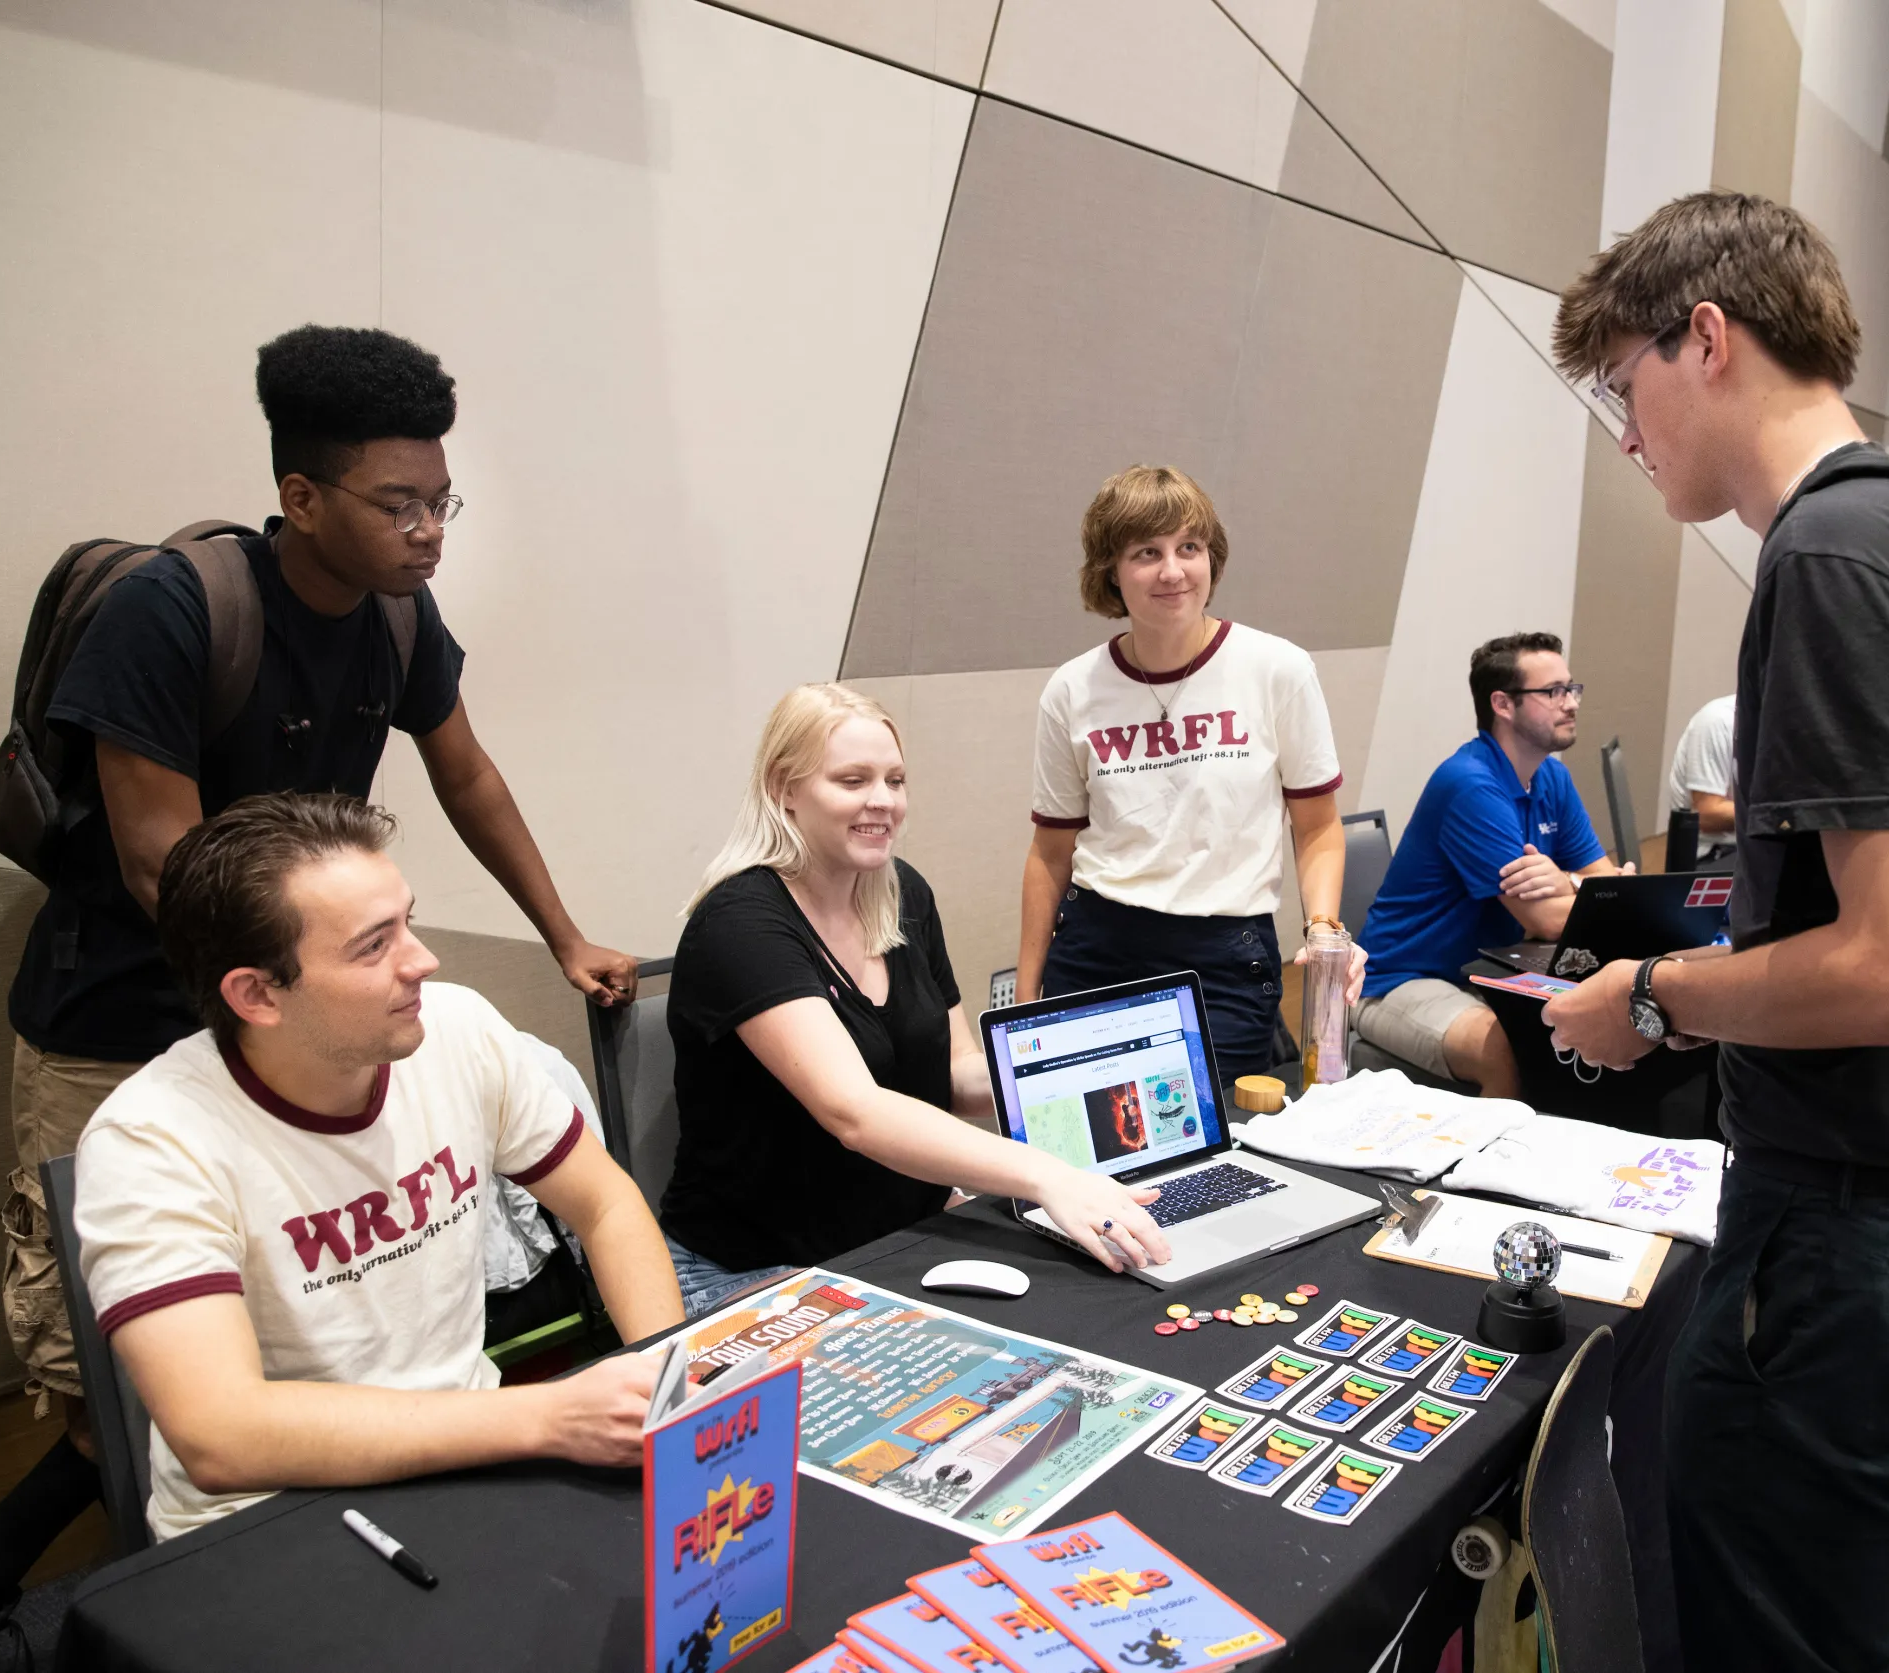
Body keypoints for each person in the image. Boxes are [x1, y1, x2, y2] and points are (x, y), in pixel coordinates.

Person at [0, 326, 642, 1669]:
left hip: (293, 1014)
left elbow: (466, 774)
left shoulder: (400, 618)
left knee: (280, 1339)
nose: (428, 533)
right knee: (111, 1383)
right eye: (396, 505)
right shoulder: (174, 610)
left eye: (440, 501)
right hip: (126, 1030)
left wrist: (564, 931)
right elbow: (155, 855)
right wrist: (268, 1041)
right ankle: (36, 1602)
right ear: (301, 498)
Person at [1542, 191, 1889, 1670]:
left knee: (1766, 1624)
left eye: (1625, 386)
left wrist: (1652, 991)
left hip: (1861, 1222)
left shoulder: (1837, 554)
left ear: (1705, 339)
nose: (1628, 434)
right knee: (1861, 1613)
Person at [91, 796, 675, 1550]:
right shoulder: (151, 1139)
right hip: (267, 1521)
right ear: (257, 994)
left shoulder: (458, 1029)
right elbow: (219, 1432)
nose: (422, 960)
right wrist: (549, 1416)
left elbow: (602, 1202)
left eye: (408, 920)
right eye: (374, 946)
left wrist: (664, 1372)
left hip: (474, 1458)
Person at [658, 685, 1174, 1314]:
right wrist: (1049, 1176)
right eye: (852, 781)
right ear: (783, 790)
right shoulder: (739, 924)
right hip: (757, 1268)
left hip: (899, 1236)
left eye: (895, 780)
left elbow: (951, 1073)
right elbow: (857, 1113)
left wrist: (1085, 1066)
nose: (883, 802)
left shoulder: (902, 894)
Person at [1019, 466, 1363, 1081]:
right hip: (1095, 945)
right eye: (1146, 552)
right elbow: (1050, 853)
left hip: (1223, 957)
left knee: (1205, 1155)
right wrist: (1026, 998)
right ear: (1111, 572)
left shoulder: (1277, 669)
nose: (1173, 571)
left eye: (1189, 548)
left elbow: (1317, 828)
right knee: (1081, 1150)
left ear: (1212, 559)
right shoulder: (1072, 689)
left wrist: (1323, 929)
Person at [1349, 633, 1624, 1095]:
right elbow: (1548, 920)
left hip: (1486, 972)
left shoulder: (1550, 775)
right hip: (1399, 981)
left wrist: (1568, 881)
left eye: (1572, 688)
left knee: (1602, 1012)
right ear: (1503, 704)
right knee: (1507, 1046)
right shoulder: (1471, 785)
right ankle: (1490, 1166)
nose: (1570, 703)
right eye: (1553, 691)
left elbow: (1606, 882)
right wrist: (1583, 890)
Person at [1665, 692, 1737, 863]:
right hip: (1714, 854)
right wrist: (1778, 815)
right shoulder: (1718, 721)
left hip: (1759, 845)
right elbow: (1708, 815)